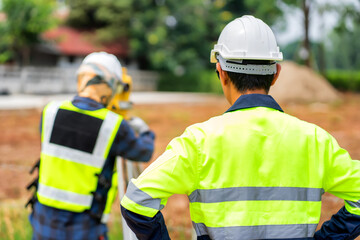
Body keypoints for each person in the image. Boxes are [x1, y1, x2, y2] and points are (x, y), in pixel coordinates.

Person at [120, 15, 360, 239]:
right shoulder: (316, 141)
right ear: (276, 74)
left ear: (221, 72)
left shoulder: (198, 141)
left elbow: (136, 202)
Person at [28, 52, 155, 240]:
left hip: (43, 222)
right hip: (84, 227)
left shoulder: (50, 111)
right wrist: (144, 131)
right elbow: (144, 152)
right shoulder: (113, 126)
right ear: (110, 85)